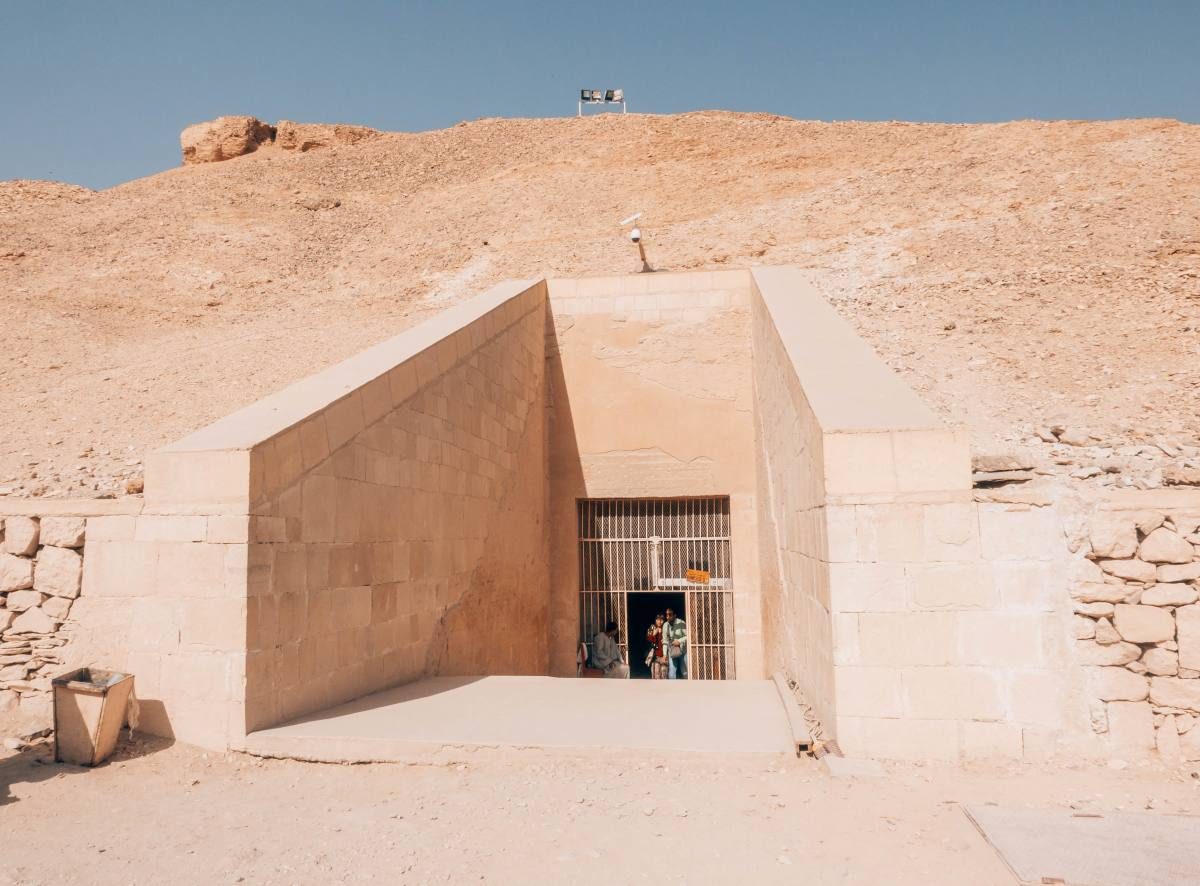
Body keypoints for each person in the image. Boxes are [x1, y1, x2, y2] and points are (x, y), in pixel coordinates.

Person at [663, 607, 688, 679]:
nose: (668, 617)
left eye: (670, 615)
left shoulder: (681, 623)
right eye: (666, 615)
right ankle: (672, 689)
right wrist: (665, 654)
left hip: (683, 650)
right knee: (672, 672)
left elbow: (688, 636)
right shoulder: (665, 625)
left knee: (685, 672)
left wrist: (679, 641)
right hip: (672, 651)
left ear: (675, 615)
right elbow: (664, 641)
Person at [645, 614, 668, 679]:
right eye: (658, 620)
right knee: (656, 676)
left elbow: (669, 641)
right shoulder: (652, 628)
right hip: (655, 656)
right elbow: (649, 641)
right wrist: (654, 634)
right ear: (655, 620)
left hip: (664, 656)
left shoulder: (666, 628)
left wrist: (662, 634)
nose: (659, 622)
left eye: (661, 620)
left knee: (664, 675)